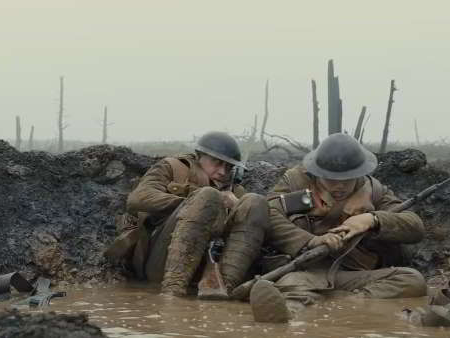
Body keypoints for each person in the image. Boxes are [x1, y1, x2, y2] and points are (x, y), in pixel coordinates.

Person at [251, 133, 427, 322]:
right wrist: (310, 240)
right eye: (332, 179)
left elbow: (414, 225)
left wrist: (372, 219)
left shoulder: (374, 191)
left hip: (355, 276)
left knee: (412, 280)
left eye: (347, 179)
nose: (340, 186)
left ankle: (344, 303)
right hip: (308, 272)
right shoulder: (296, 182)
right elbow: (268, 212)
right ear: (318, 174)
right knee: (290, 287)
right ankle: (289, 315)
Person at [105, 131, 268, 298]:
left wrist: (236, 206)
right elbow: (138, 198)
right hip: (163, 262)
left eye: (228, 167)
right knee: (208, 196)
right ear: (199, 156)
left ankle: (224, 290)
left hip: (212, 268)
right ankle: (173, 294)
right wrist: (195, 201)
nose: (222, 172)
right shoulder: (172, 167)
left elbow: (256, 227)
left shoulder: (234, 190)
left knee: (255, 202)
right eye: (217, 163)